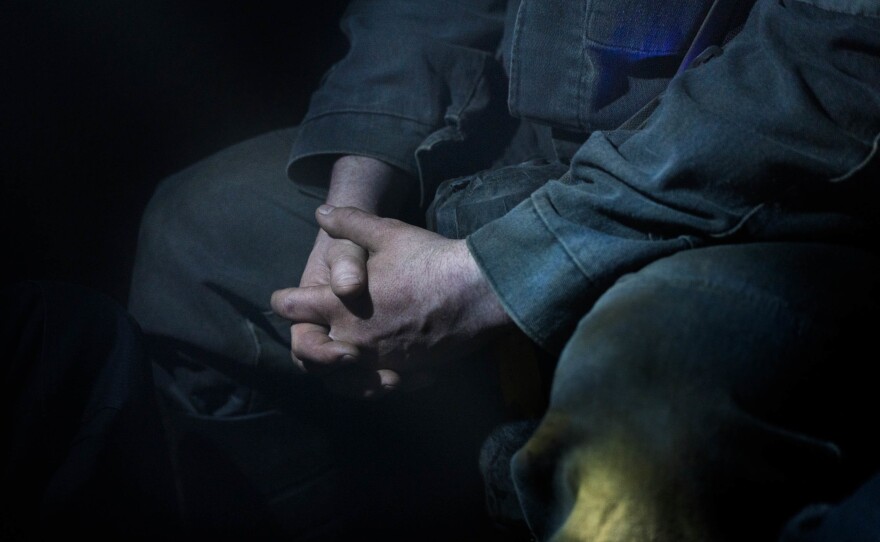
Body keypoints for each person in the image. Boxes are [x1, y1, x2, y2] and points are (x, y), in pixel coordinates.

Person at [128, 0, 880, 540]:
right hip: (523, 159)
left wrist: (483, 277)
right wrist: (349, 213)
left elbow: (827, 73)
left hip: (763, 209)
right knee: (200, 240)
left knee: (638, 408)